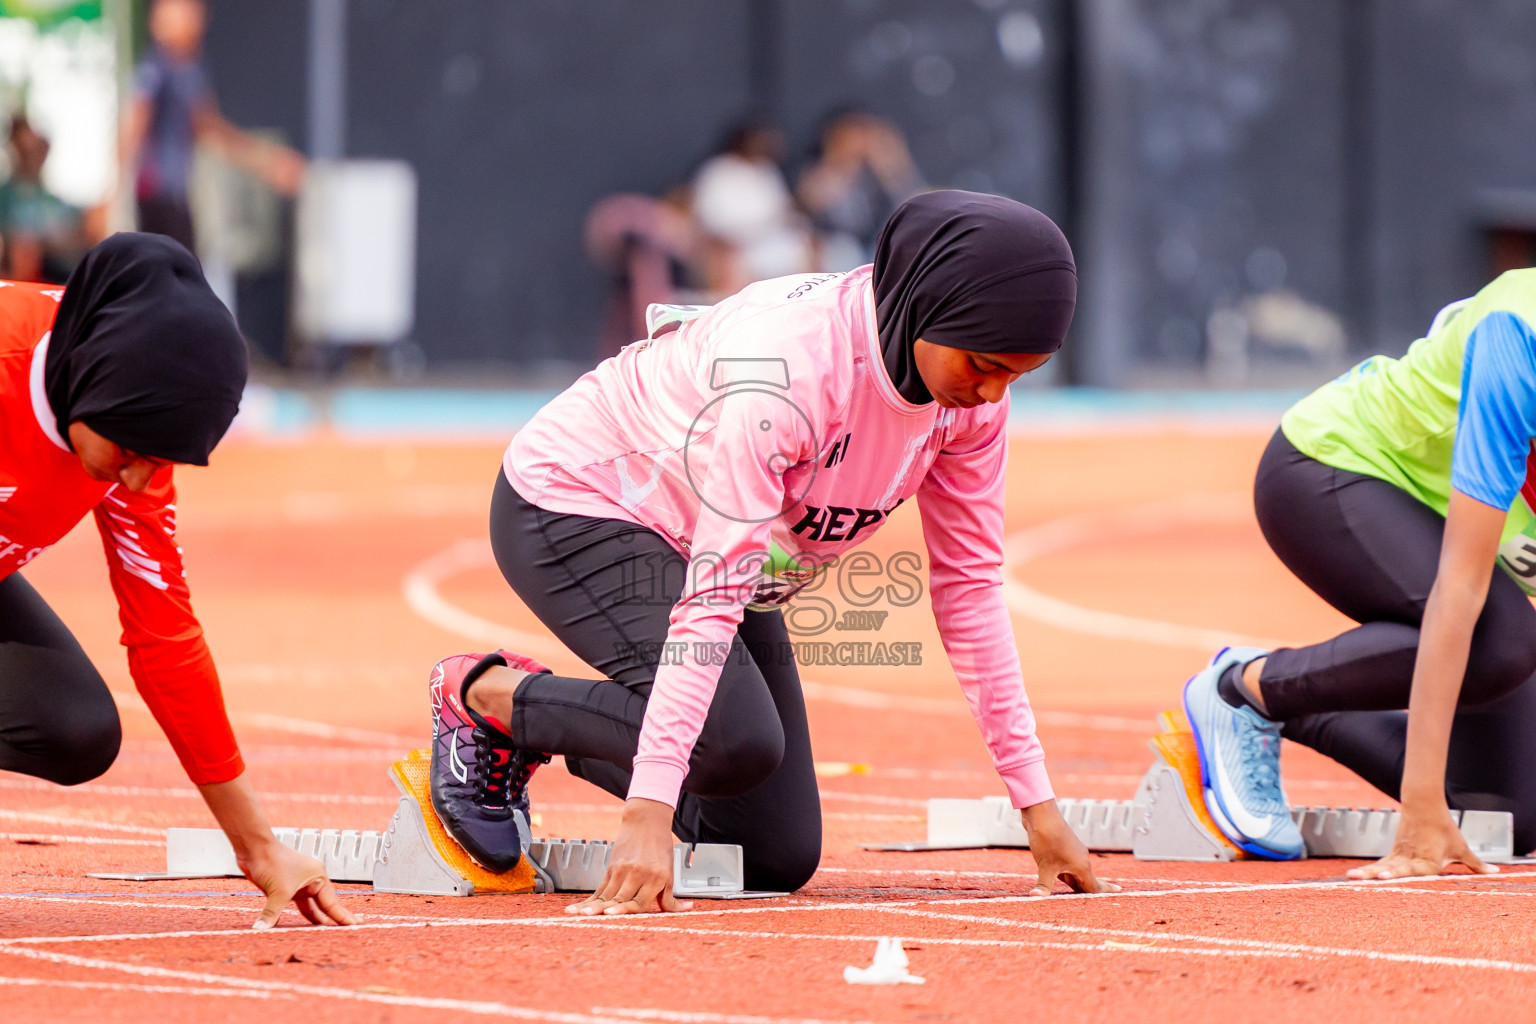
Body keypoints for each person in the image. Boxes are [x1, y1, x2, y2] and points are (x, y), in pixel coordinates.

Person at [426, 189, 1116, 912]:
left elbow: (969, 589)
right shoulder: (787, 367)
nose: (989, 394)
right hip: (580, 502)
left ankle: (587, 728)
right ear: (924, 304)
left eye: (1017, 375)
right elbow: (715, 591)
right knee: (732, 739)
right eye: (982, 364)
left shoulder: (970, 405)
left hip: (724, 548)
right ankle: (489, 702)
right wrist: (648, 811)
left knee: (771, 854)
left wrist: (1039, 810)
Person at [0, 232, 352, 929]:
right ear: (94, 376)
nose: (137, 478)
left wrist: (258, 848)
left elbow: (165, 637)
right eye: (132, 452)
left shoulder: (127, 433)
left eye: (157, 462)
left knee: (74, 730)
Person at [1184, 271, 1536, 872]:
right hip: (1332, 468)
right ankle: (1247, 690)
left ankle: (1301, 708)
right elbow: (1461, 584)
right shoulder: (1518, 336)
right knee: (1503, 642)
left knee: (1507, 813)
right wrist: (1420, 810)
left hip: (1444, 521)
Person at [118, 0, 305, 253]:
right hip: (157, 199)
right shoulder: (155, 68)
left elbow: (210, 129)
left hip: (176, 197)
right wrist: (115, 198)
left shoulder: (190, 70)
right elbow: (135, 125)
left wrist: (267, 162)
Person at [690, 122, 813, 294]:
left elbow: (783, 212)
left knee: (805, 247)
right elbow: (710, 221)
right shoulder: (718, 170)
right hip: (733, 246)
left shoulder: (767, 170)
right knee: (732, 262)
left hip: (772, 241)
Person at [797, 110, 924, 272]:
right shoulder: (819, 171)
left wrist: (891, 162)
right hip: (836, 248)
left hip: (876, 244)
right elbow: (812, 204)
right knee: (846, 253)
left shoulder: (875, 173)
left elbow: (913, 202)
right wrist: (843, 163)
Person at [0, 115, 89, 284]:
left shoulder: (53, 201)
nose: (32, 153)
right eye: (25, 148)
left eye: (38, 148)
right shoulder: (5, 196)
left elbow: (76, 233)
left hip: (59, 267)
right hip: (22, 271)